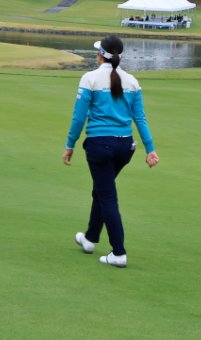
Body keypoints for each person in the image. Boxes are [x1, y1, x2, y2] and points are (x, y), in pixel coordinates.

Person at [63, 35, 158, 267]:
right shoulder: (132, 81)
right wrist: (150, 149)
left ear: (99, 55)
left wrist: (70, 144)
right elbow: (140, 118)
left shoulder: (89, 78)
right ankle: (89, 239)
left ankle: (118, 253)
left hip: (100, 146)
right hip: (125, 147)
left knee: (107, 196)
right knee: (102, 190)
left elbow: (79, 117)